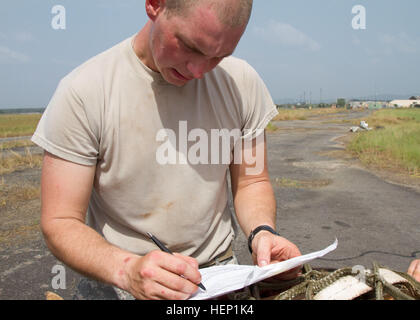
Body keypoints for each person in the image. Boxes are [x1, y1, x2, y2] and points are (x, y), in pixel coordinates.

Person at [32, 0, 301, 300]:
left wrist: (262, 231)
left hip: (217, 280)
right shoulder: (83, 93)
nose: (199, 71)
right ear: (154, 5)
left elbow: (252, 182)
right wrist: (127, 271)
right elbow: (60, 221)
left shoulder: (242, 84)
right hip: (118, 280)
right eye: (190, 47)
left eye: (219, 56)